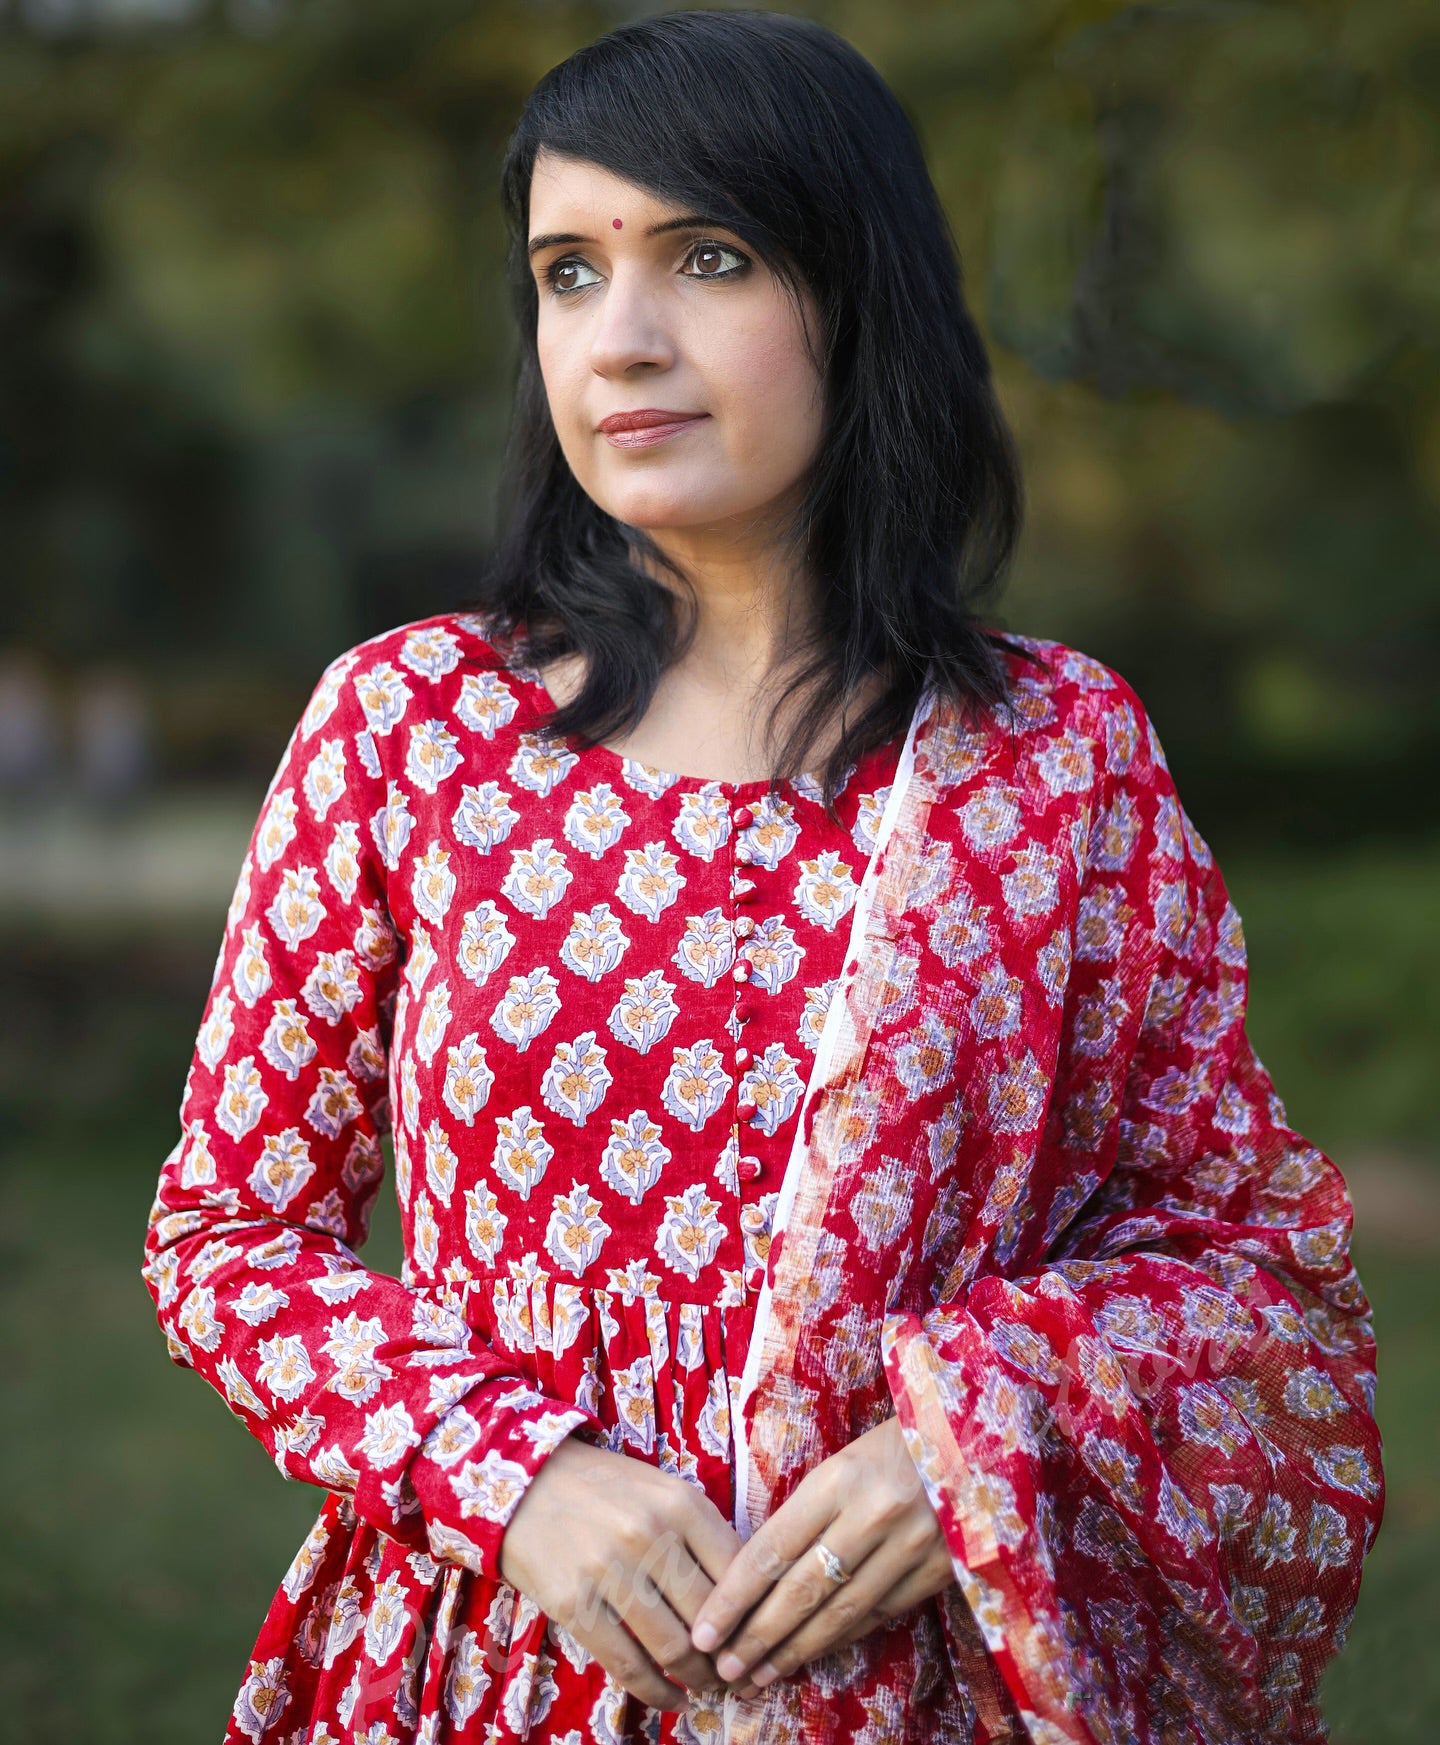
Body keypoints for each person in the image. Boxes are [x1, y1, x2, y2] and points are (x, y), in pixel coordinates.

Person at [140, 12, 1383, 1744]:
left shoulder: (1054, 758)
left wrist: (965, 1442)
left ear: (858, 294)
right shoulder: (415, 724)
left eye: (707, 257)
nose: (621, 338)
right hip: (495, 1663)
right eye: (569, 273)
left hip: (921, 1682)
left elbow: (1247, 1263)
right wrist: (513, 1471)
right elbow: (229, 1233)